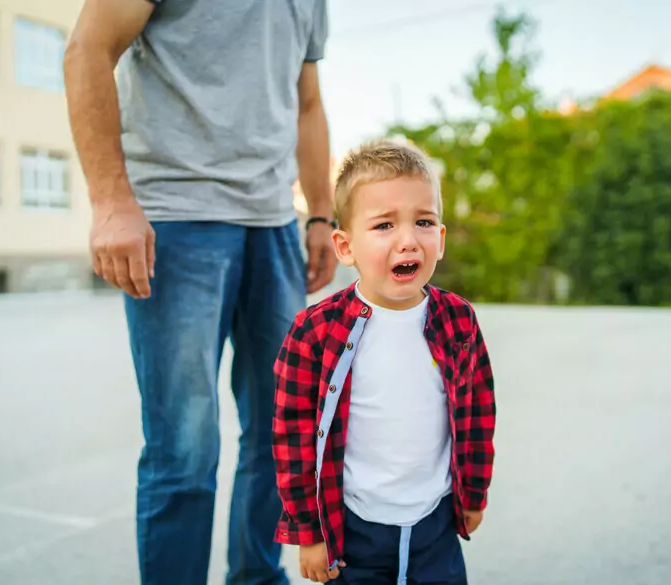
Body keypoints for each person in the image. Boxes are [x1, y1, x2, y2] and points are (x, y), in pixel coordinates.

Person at [63, 1, 336, 584]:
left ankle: (258, 578)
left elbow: (306, 102)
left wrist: (320, 214)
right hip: (177, 218)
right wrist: (112, 201)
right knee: (184, 448)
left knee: (282, 431)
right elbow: (88, 48)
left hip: (273, 224)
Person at [272, 140, 497, 584]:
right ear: (345, 246)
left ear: (441, 237)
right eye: (384, 226)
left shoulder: (458, 322)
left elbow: (477, 415)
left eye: (424, 222)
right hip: (353, 529)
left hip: (435, 523)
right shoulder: (314, 333)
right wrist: (309, 533)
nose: (408, 240)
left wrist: (474, 493)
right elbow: (291, 437)